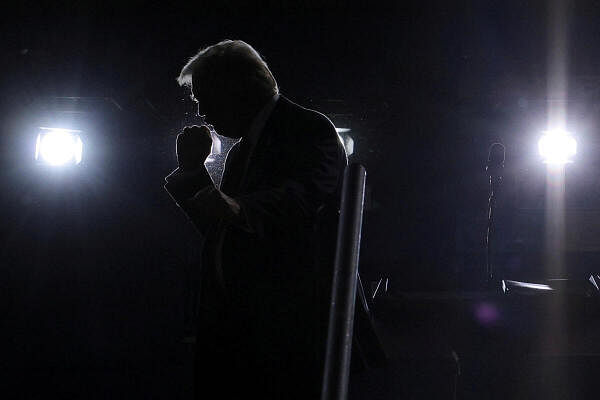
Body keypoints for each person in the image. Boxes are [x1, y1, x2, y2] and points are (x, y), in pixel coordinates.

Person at [164, 40, 347, 399]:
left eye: (203, 97)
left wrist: (238, 208)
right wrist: (191, 173)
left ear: (235, 88)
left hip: (282, 335)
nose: (201, 112)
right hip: (244, 334)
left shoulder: (309, 129)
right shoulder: (243, 150)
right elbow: (226, 232)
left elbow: (303, 196)